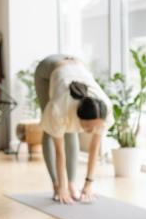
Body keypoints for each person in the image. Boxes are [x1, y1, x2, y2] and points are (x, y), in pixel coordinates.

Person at [34, 54, 112, 204]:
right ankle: (56, 185)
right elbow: (59, 151)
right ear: (79, 117)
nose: (91, 131)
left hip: (76, 65)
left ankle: (71, 184)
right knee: (51, 130)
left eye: (95, 127)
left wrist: (88, 184)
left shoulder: (104, 109)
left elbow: (94, 148)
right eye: (88, 127)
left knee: (71, 130)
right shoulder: (59, 108)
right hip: (47, 69)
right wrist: (61, 186)